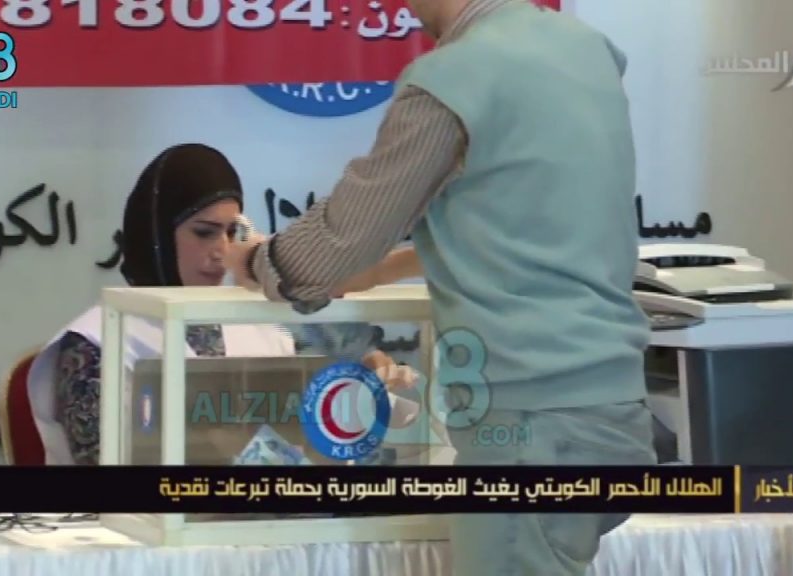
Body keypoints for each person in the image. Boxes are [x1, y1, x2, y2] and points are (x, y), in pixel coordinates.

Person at [224, 0, 657, 574]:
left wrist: (256, 259)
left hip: (529, 423)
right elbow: (532, 222)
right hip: (615, 408)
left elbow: (335, 244)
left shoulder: (453, 78)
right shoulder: (585, 49)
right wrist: (385, 269)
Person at [26, 143, 410, 466]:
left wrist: (356, 387)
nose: (222, 251)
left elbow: (314, 431)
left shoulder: (261, 323)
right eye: (204, 233)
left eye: (231, 233)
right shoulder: (96, 343)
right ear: (157, 234)